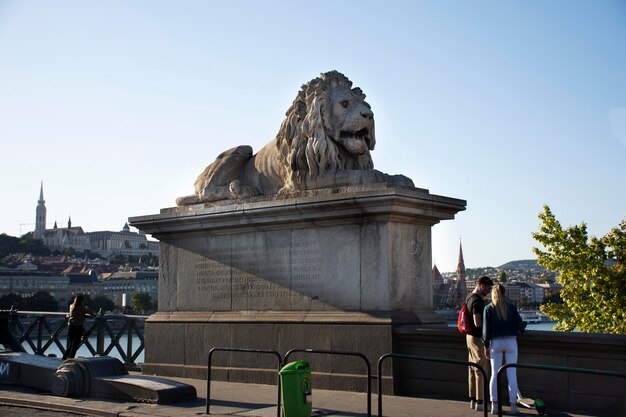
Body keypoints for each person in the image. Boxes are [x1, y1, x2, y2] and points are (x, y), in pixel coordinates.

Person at [483, 284, 527, 415]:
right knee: (512, 375)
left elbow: (486, 331)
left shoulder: (488, 309)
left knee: (494, 374)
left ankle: (494, 405)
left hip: (495, 343)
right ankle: (513, 405)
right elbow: (520, 326)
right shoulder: (511, 308)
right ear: (504, 293)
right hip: (511, 342)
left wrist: (486, 346)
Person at [465, 275, 494, 412]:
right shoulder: (477, 301)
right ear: (481, 285)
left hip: (469, 337)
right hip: (477, 338)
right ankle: (481, 401)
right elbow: (477, 322)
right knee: (481, 369)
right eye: (488, 287)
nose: (488, 291)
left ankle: (472, 399)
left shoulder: (468, 297)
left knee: (472, 368)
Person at [62, 294, 95, 360]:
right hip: (78, 327)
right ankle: (71, 358)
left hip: (71, 326)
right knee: (75, 344)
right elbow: (91, 312)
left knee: (71, 344)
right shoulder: (82, 308)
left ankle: (64, 357)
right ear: (81, 301)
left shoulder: (71, 306)